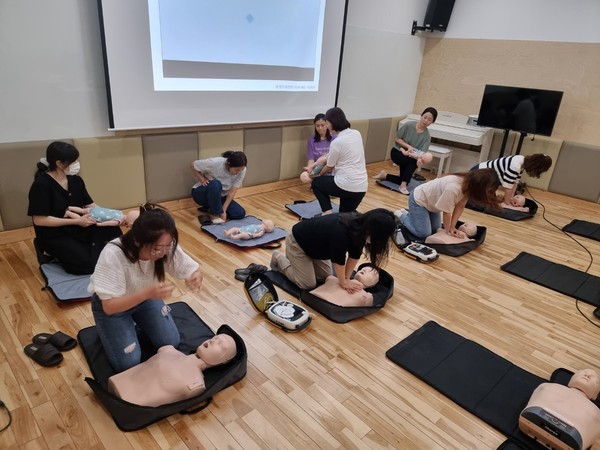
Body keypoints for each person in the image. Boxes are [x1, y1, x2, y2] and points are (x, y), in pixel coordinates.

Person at [89, 203, 203, 372]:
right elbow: (109, 306)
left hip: (146, 299)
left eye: (167, 246)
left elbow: (189, 268)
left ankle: (134, 326)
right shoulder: (113, 254)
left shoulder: (165, 245)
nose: (163, 252)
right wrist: (148, 293)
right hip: (114, 308)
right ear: (137, 240)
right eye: (157, 248)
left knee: (171, 342)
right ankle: (111, 329)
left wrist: (195, 275)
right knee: (128, 363)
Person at [27, 141, 122, 274]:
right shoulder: (41, 185)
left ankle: (89, 251)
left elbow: (90, 205)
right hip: (55, 233)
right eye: (73, 161)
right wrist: (76, 221)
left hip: (79, 226)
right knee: (88, 264)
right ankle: (46, 250)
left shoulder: (76, 181)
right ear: (59, 164)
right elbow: (39, 220)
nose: (76, 164)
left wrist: (115, 215)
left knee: (113, 232)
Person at [270, 208, 396, 291]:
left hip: (317, 248)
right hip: (298, 242)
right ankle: (278, 258)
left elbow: (354, 255)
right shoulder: (341, 231)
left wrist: (346, 279)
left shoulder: (362, 229)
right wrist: (344, 283)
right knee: (307, 284)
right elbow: (339, 260)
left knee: (326, 277)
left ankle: (299, 264)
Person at [107, 334, 237, 407]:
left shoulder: (195, 384)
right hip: (116, 383)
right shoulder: (169, 350)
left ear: (224, 361)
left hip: (126, 405)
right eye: (214, 338)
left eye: (221, 345)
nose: (213, 341)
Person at [397, 169, 501, 240]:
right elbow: (447, 212)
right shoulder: (453, 188)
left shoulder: (468, 187)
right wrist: (449, 230)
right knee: (424, 234)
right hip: (419, 201)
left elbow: (460, 207)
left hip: (433, 206)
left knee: (435, 230)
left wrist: (452, 227)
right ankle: (402, 215)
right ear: (480, 186)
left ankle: (415, 217)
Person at [519, 369, 600, 450]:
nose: (586, 376)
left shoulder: (547, 386)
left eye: (595, 381)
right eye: (582, 373)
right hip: (575, 436)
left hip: (533, 413)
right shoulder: (596, 412)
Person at [309, 107, 368, 214]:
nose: (326, 126)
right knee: (344, 217)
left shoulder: (337, 142)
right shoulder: (356, 134)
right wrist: (320, 161)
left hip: (345, 186)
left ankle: (327, 212)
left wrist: (314, 175)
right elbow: (337, 154)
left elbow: (329, 166)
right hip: (361, 187)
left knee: (317, 183)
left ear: (332, 123)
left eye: (326, 123)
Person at [374, 107, 438, 195]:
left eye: (430, 120)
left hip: (410, 156)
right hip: (397, 152)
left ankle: (385, 176)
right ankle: (403, 186)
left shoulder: (427, 136)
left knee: (404, 178)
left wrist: (419, 159)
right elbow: (397, 138)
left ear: (432, 122)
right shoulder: (409, 125)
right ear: (421, 116)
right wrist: (408, 147)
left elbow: (422, 153)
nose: (426, 121)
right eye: (425, 117)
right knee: (412, 163)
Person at [191, 151, 247, 224]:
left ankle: (211, 208)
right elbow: (193, 164)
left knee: (239, 213)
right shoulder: (215, 162)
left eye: (241, 170)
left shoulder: (242, 170)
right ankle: (214, 214)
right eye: (236, 170)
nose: (238, 172)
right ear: (229, 164)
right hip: (201, 194)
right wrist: (202, 179)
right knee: (216, 184)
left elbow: (232, 191)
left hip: (220, 196)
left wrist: (224, 210)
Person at [474, 153, 552, 206]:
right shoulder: (515, 166)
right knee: (485, 204)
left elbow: (515, 183)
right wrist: (507, 203)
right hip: (479, 175)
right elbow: (508, 187)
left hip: (488, 178)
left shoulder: (521, 163)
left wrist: (509, 199)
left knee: (493, 201)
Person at [310, 265, 380, 307]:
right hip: (315, 297)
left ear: (372, 284)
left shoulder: (365, 296)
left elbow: (368, 302)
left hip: (327, 304)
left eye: (371, 273)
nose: (364, 270)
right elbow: (330, 278)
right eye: (362, 269)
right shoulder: (336, 280)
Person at [65, 206, 140, 227]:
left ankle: (70, 207)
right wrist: (99, 224)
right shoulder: (118, 221)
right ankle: (68, 213)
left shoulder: (120, 212)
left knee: (82, 210)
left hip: (96, 209)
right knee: (80, 219)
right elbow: (108, 223)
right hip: (95, 217)